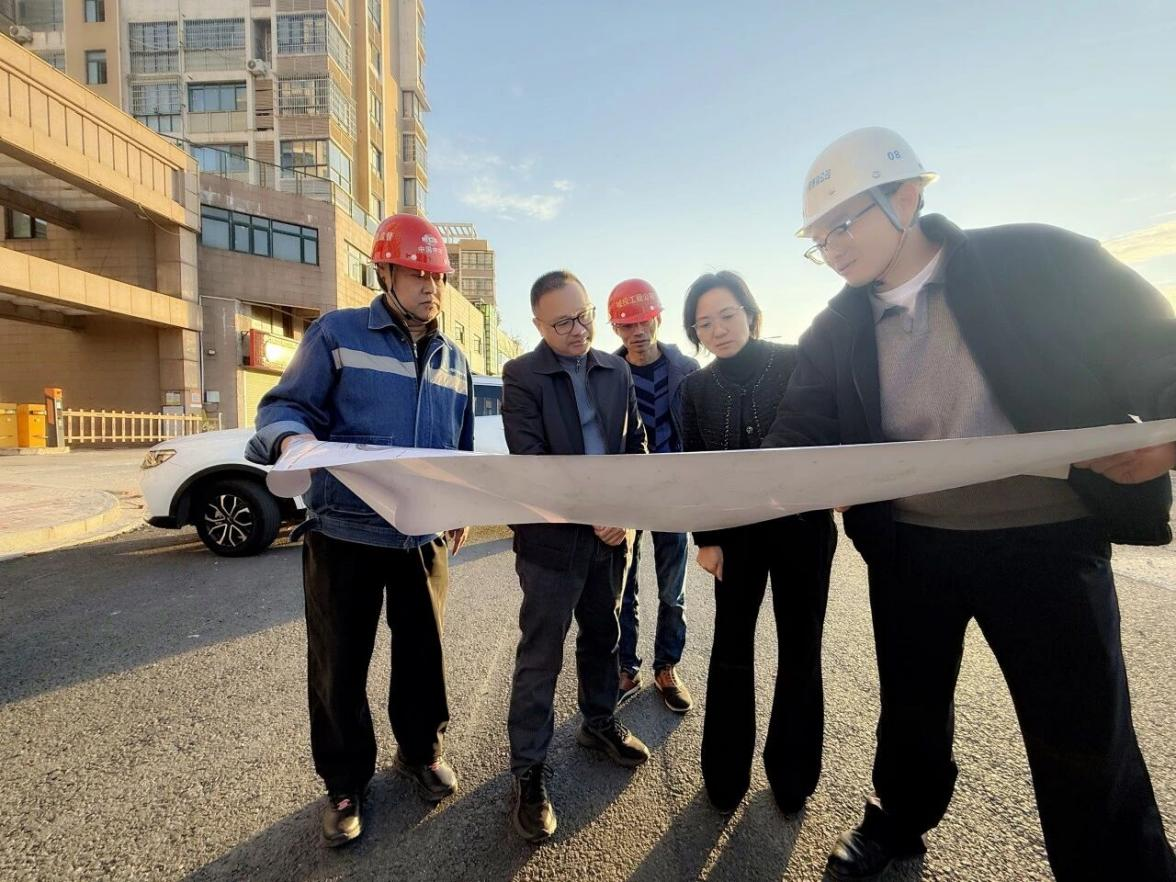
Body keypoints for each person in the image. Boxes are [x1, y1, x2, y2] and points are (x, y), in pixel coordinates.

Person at [764, 127, 1176, 881]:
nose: (832, 248)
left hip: (1047, 538)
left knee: (1083, 730)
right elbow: (798, 430)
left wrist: (1168, 434)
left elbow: (1154, 342)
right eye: (819, 238)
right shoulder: (836, 328)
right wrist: (734, 492)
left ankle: (1121, 869)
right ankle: (898, 821)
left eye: (843, 224)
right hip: (910, 546)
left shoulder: (1035, 259)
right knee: (911, 709)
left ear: (907, 197)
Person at [245, 213, 474, 847]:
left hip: (421, 535)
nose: (430, 287)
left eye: (437, 276)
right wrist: (291, 441)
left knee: (423, 656)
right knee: (339, 665)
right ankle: (345, 783)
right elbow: (284, 408)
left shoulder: (454, 359)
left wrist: (456, 508)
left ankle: (421, 751)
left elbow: (459, 446)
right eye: (417, 273)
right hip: (344, 533)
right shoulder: (336, 335)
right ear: (385, 272)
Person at [679, 270, 837, 816]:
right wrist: (705, 539)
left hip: (804, 530)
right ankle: (725, 776)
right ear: (695, 333)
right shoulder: (694, 389)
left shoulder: (796, 363)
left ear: (750, 313)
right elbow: (695, 467)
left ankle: (793, 778)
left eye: (727, 315)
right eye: (704, 323)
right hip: (734, 539)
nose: (718, 330)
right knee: (730, 648)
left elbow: (826, 434)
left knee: (801, 649)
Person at [502, 270, 651, 844]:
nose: (578, 329)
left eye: (583, 315)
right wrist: (596, 512)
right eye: (562, 321)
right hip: (550, 541)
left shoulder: (617, 370)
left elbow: (635, 448)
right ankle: (529, 771)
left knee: (603, 636)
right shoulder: (522, 375)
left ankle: (598, 720)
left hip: (610, 538)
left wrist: (623, 514)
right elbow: (533, 461)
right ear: (538, 325)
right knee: (541, 654)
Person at [608, 278, 700, 713]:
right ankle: (626, 668)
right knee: (623, 587)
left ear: (658, 319)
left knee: (672, 590)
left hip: (674, 494)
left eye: (644, 321)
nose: (637, 331)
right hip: (626, 496)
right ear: (615, 329)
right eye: (627, 325)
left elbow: (698, 434)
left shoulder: (687, 371)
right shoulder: (606, 373)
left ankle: (667, 666)